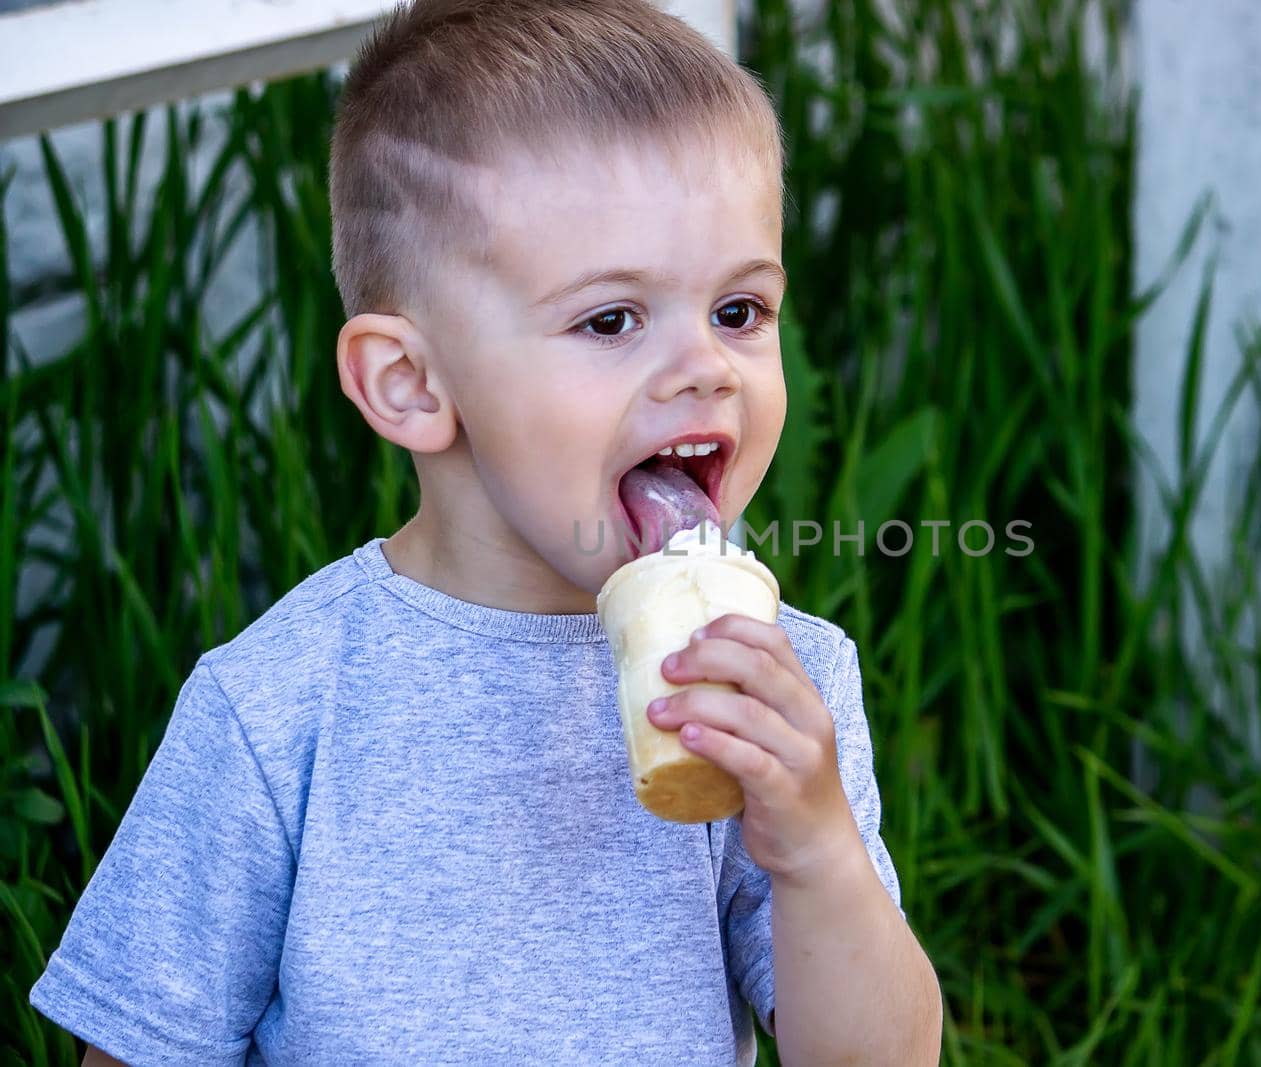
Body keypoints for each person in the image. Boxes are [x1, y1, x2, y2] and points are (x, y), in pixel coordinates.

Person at [26, 1, 942, 1063]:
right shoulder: (281, 702)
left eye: (739, 311)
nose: (707, 366)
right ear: (411, 383)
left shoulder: (779, 688)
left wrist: (818, 852)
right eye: (610, 319)